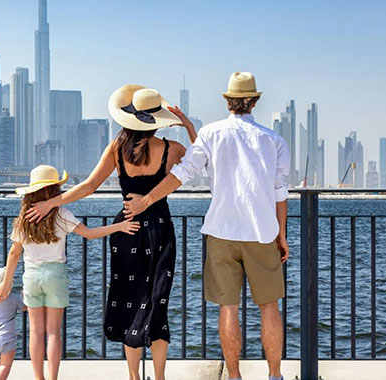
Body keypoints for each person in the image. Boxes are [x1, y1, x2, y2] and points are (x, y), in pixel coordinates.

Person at [122, 72, 289, 380]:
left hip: (221, 232)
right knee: (269, 306)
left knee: (228, 307)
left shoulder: (211, 134)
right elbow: (280, 192)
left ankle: (234, 376)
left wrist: (146, 201)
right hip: (262, 232)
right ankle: (274, 376)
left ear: (227, 102)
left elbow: (182, 173)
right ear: (254, 102)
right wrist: (282, 235)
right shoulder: (274, 140)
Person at [24, 86, 196, 380]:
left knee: (131, 301)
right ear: (158, 122)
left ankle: (133, 377)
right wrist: (188, 125)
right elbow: (202, 157)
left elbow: (89, 185)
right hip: (159, 230)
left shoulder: (118, 148)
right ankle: (159, 377)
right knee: (157, 304)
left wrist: (51, 203)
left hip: (127, 228)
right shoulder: (172, 149)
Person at [0, 164, 141, 380]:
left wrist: (7, 282)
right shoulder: (62, 214)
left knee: (35, 332)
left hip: (32, 276)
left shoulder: (24, 218)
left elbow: (14, 253)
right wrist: (119, 226)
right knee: (53, 332)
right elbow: (89, 234)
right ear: (53, 190)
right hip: (56, 275)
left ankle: (39, 378)